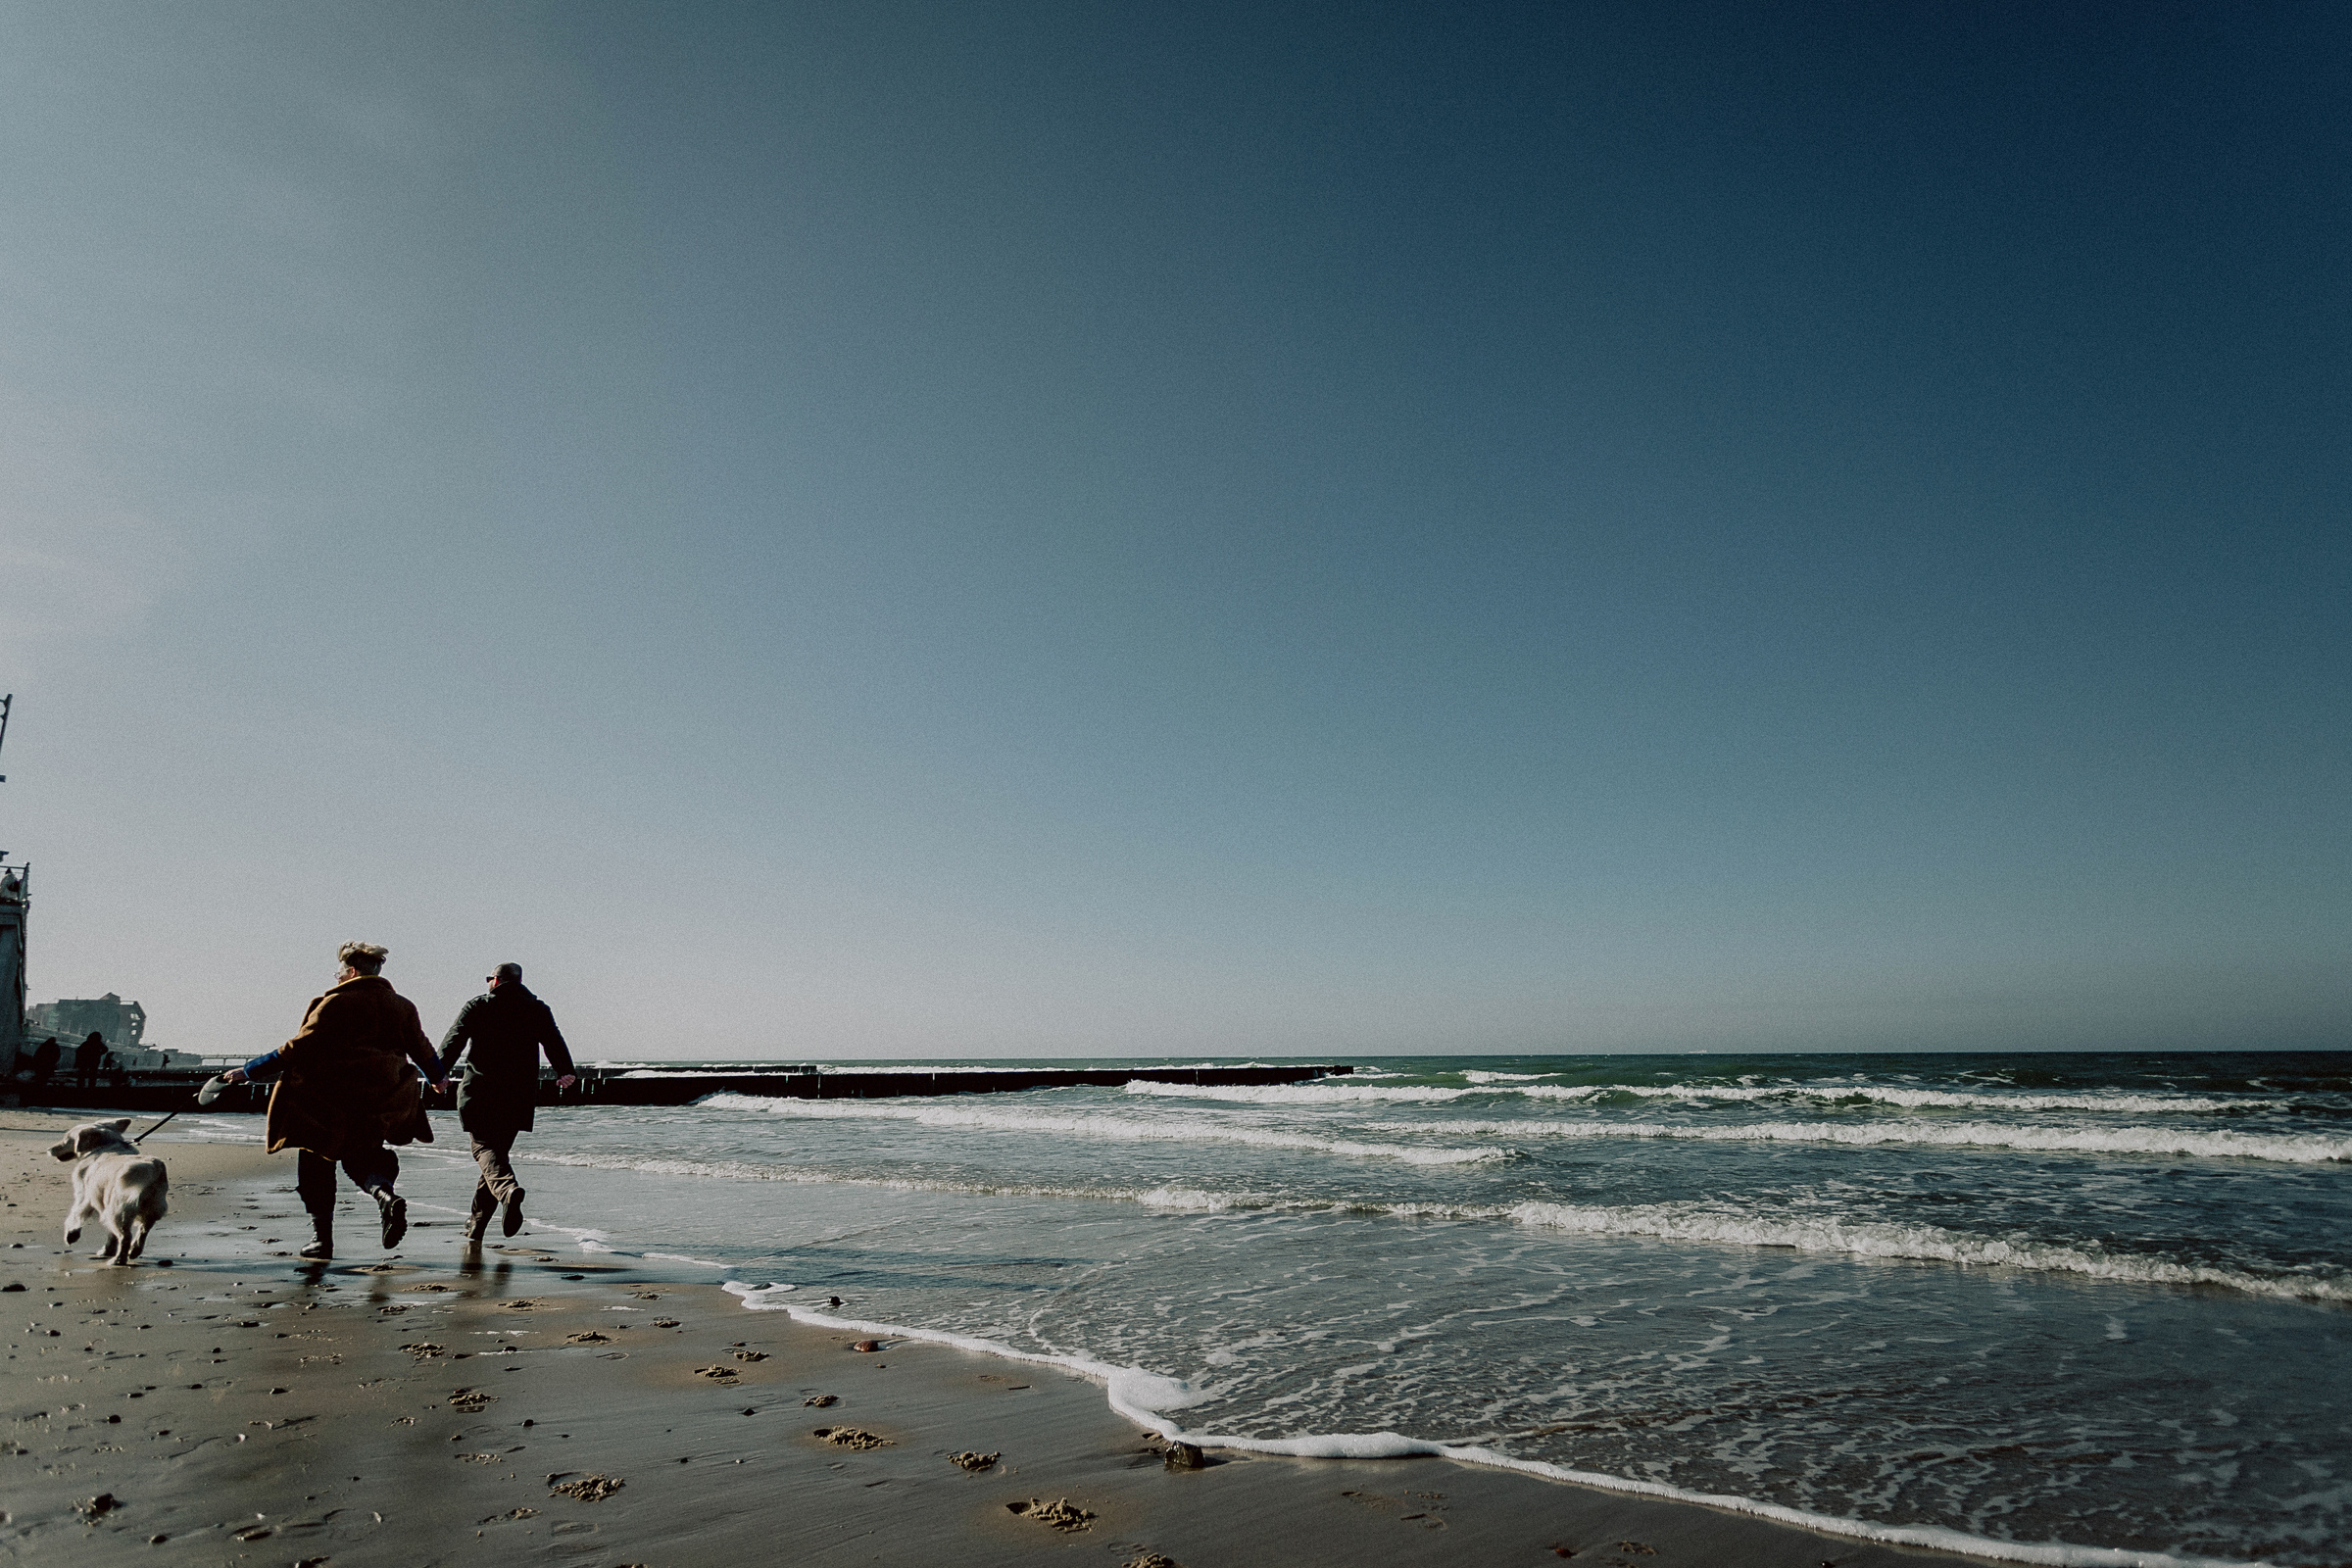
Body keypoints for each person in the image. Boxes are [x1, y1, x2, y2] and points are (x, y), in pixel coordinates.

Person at [220, 941, 446, 1260]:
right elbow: (422, 1047)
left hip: (330, 1101)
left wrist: (249, 1071)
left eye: (339, 970)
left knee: (315, 1161)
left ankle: (321, 1240)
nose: (337, 975)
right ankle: (384, 1195)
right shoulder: (402, 1005)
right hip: (383, 1098)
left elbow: (297, 1048)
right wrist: (438, 1078)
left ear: (351, 971)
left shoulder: (336, 1003)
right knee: (362, 1157)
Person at [437, 961, 576, 1244]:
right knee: (496, 1156)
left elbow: (454, 1040)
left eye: (489, 978)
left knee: (485, 1150)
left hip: (481, 1092)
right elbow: (554, 1041)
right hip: (518, 1096)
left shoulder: (478, 1006)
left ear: (497, 981)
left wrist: (438, 1074)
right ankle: (476, 1226)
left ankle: (508, 1190)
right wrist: (565, 1071)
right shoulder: (537, 1008)